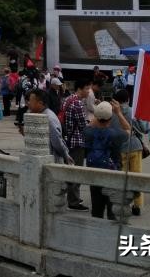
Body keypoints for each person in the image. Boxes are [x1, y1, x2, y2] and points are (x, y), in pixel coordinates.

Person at [84, 100, 130, 220]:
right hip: (113, 175)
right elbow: (128, 130)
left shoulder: (88, 132)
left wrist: (96, 117)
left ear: (96, 117)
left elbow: (90, 125)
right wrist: (118, 113)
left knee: (96, 211)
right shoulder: (116, 134)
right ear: (110, 119)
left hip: (94, 175)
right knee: (112, 210)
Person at [114, 88, 146, 215]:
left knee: (122, 178)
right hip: (134, 146)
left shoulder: (112, 111)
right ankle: (137, 205)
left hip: (120, 147)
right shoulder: (133, 111)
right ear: (128, 99)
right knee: (136, 177)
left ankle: (123, 203)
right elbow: (143, 129)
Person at [63, 79, 93, 211]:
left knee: (71, 169)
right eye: (87, 88)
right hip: (77, 141)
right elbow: (83, 126)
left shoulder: (68, 99)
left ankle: (73, 197)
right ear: (80, 89)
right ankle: (74, 202)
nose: (89, 91)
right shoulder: (78, 104)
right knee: (76, 171)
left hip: (67, 139)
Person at [27, 88, 71, 164]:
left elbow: (57, 141)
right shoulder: (40, 115)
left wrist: (65, 155)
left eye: (31, 101)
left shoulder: (48, 118)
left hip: (51, 161)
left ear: (40, 103)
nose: (28, 103)